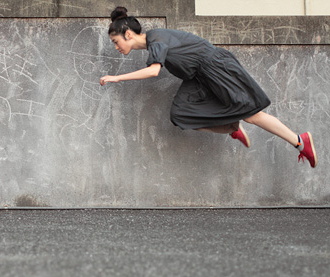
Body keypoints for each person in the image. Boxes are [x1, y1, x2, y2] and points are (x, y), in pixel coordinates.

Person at [99, 6, 318, 168]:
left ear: (128, 34)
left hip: (216, 66)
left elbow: (154, 70)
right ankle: (232, 127)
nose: (116, 47)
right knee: (180, 115)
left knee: (252, 114)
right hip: (198, 78)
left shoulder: (157, 37)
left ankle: (300, 141)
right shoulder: (154, 43)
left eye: (116, 41)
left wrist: (117, 78)